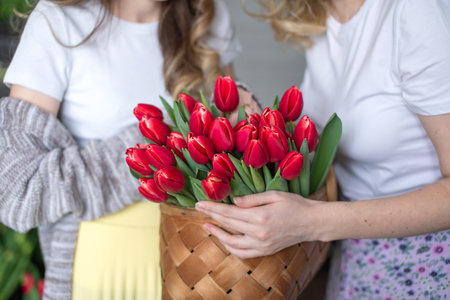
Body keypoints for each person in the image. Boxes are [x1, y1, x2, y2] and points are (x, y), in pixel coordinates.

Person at [0, 0, 257, 298]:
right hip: (99, 272)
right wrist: (159, 146)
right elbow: (18, 192)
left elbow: (224, 153)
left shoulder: (205, 13)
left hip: (196, 268)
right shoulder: (58, 21)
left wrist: (243, 118)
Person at [195, 0, 450, 298]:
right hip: (355, 253)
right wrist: (253, 116)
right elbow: (324, 138)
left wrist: (313, 222)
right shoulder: (319, 16)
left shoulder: (416, 11)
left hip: (429, 258)